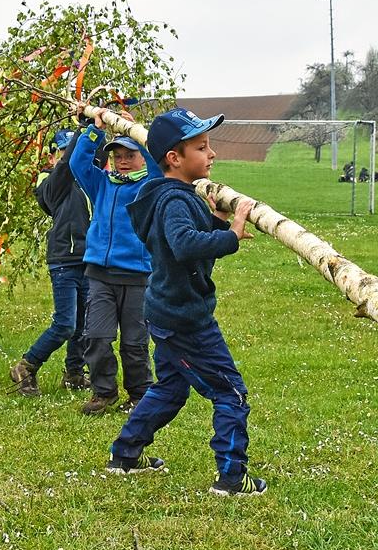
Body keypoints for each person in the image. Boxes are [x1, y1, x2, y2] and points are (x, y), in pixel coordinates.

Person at [108, 107, 265, 496]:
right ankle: (232, 478)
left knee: (170, 389)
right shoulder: (174, 200)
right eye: (202, 147)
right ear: (175, 159)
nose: (211, 154)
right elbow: (183, 243)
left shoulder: (166, 195)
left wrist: (214, 221)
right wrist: (230, 234)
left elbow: (181, 233)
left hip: (165, 312)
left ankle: (125, 455)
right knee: (230, 392)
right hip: (185, 319)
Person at [70, 106, 161, 415]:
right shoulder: (102, 184)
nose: (122, 161)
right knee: (96, 337)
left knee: (134, 343)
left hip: (137, 277)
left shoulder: (149, 187)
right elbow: (78, 163)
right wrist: (94, 130)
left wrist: (136, 134)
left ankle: (139, 393)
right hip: (99, 275)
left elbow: (159, 169)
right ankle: (103, 392)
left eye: (129, 155)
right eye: (117, 156)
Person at [9, 129, 93, 397]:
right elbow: (67, 165)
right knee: (65, 324)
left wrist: (101, 128)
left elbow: (92, 156)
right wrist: (82, 133)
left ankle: (74, 373)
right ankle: (26, 365)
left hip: (88, 260)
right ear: (53, 154)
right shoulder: (50, 181)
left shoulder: (86, 179)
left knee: (83, 324)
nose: (67, 153)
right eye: (63, 149)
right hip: (64, 261)